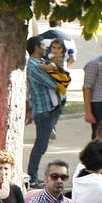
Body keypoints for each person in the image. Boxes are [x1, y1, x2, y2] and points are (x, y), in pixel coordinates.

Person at [25, 37, 65, 184]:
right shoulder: (34, 65)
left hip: (49, 108)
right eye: (42, 45)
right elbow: (53, 84)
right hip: (44, 110)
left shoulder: (41, 62)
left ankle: (33, 175)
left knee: (42, 144)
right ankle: (32, 177)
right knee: (41, 145)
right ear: (36, 47)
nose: (45, 48)